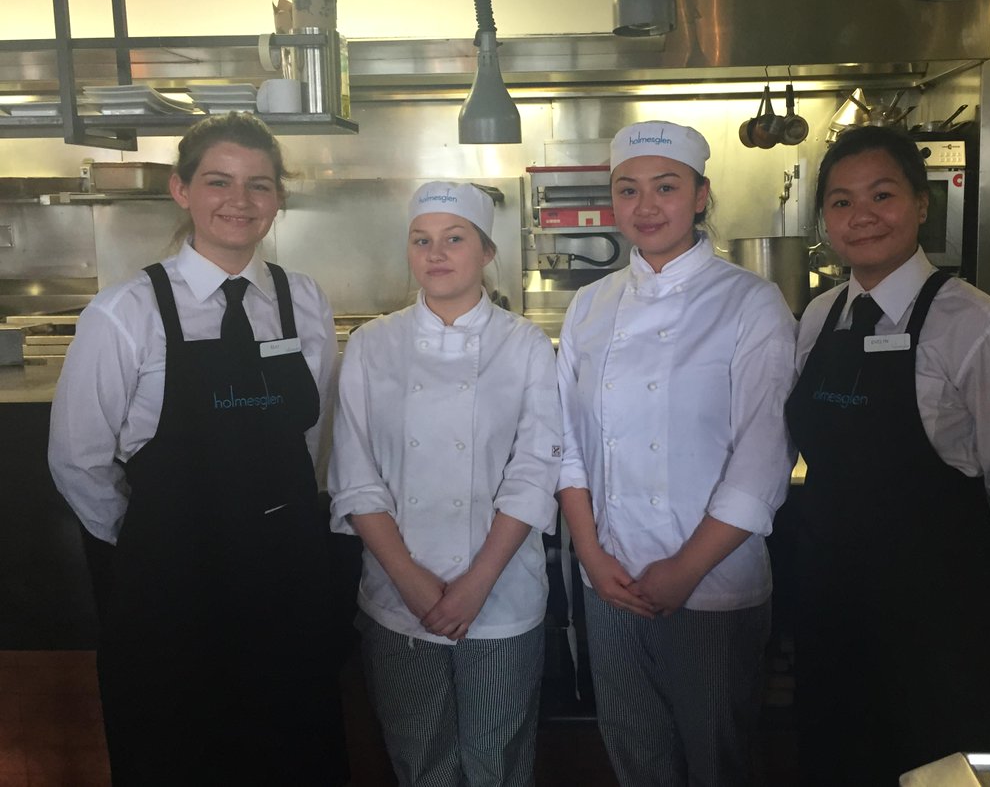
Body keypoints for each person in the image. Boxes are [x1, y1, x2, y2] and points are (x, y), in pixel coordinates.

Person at [48, 112, 346, 786]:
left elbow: (313, 431)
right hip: (173, 589)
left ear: (277, 199)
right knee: (179, 753)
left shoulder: (303, 301)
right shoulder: (126, 313)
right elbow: (78, 461)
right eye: (218, 181)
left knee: (291, 748)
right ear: (181, 190)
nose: (239, 202)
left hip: (285, 581)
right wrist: (154, 541)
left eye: (259, 185)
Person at [784, 126, 990, 786]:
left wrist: (969, 600)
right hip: (832, 617)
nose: (862, 216)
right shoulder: (820, 316)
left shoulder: (980, 329)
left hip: (940, 635)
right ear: (825, 219)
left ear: (920, 204)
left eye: (881, 195)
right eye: (841, 202)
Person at [556, 120, 798, 787]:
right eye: (628, 190)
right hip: (610, 579)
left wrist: (685, 569)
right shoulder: (589, 306)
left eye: (666, 187)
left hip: (713, 583)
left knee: (716, 760)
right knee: (634, 753)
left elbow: (762, 458)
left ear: (700, 195)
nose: (646, 205)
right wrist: (593, 557)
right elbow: (567, 445)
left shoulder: (751, 303)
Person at [327, 181, 561, 787]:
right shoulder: (372, 345)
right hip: (398, 598)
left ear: (485, 252)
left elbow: (534, 473)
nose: (436, 253)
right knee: (420, 760)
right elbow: (355, 477)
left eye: (454, 239)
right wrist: (412, 583)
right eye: (421, 240)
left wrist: (473, 585)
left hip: (502, 593)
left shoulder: (526, 344)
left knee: (500, 760)